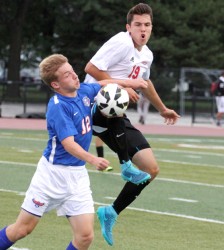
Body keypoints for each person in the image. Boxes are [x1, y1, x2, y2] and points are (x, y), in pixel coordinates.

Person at [0, 54, 147, 250]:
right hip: (51, 176)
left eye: (72, 71)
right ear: (56, 85)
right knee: (22, 229)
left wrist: (131, 82)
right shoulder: (58, 107)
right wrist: (93, 159)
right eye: (67, 75)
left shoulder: (84, 91)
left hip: (77, 176)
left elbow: (104, 82)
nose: (75, 76)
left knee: (85, 236)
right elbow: (69, 144)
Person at [84, 3, 180, 246]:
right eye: (138, 25)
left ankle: (111, 212)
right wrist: (123, 86)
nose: (143, 29)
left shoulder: (146, 54)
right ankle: (125, 163)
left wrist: (162, 109)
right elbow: (91, 68)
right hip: (93, 106)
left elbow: (145, 84)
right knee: (117, 96)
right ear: (129, 27)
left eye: (147, 25)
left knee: (151, 170)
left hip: (115, 113)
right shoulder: (121, 42)